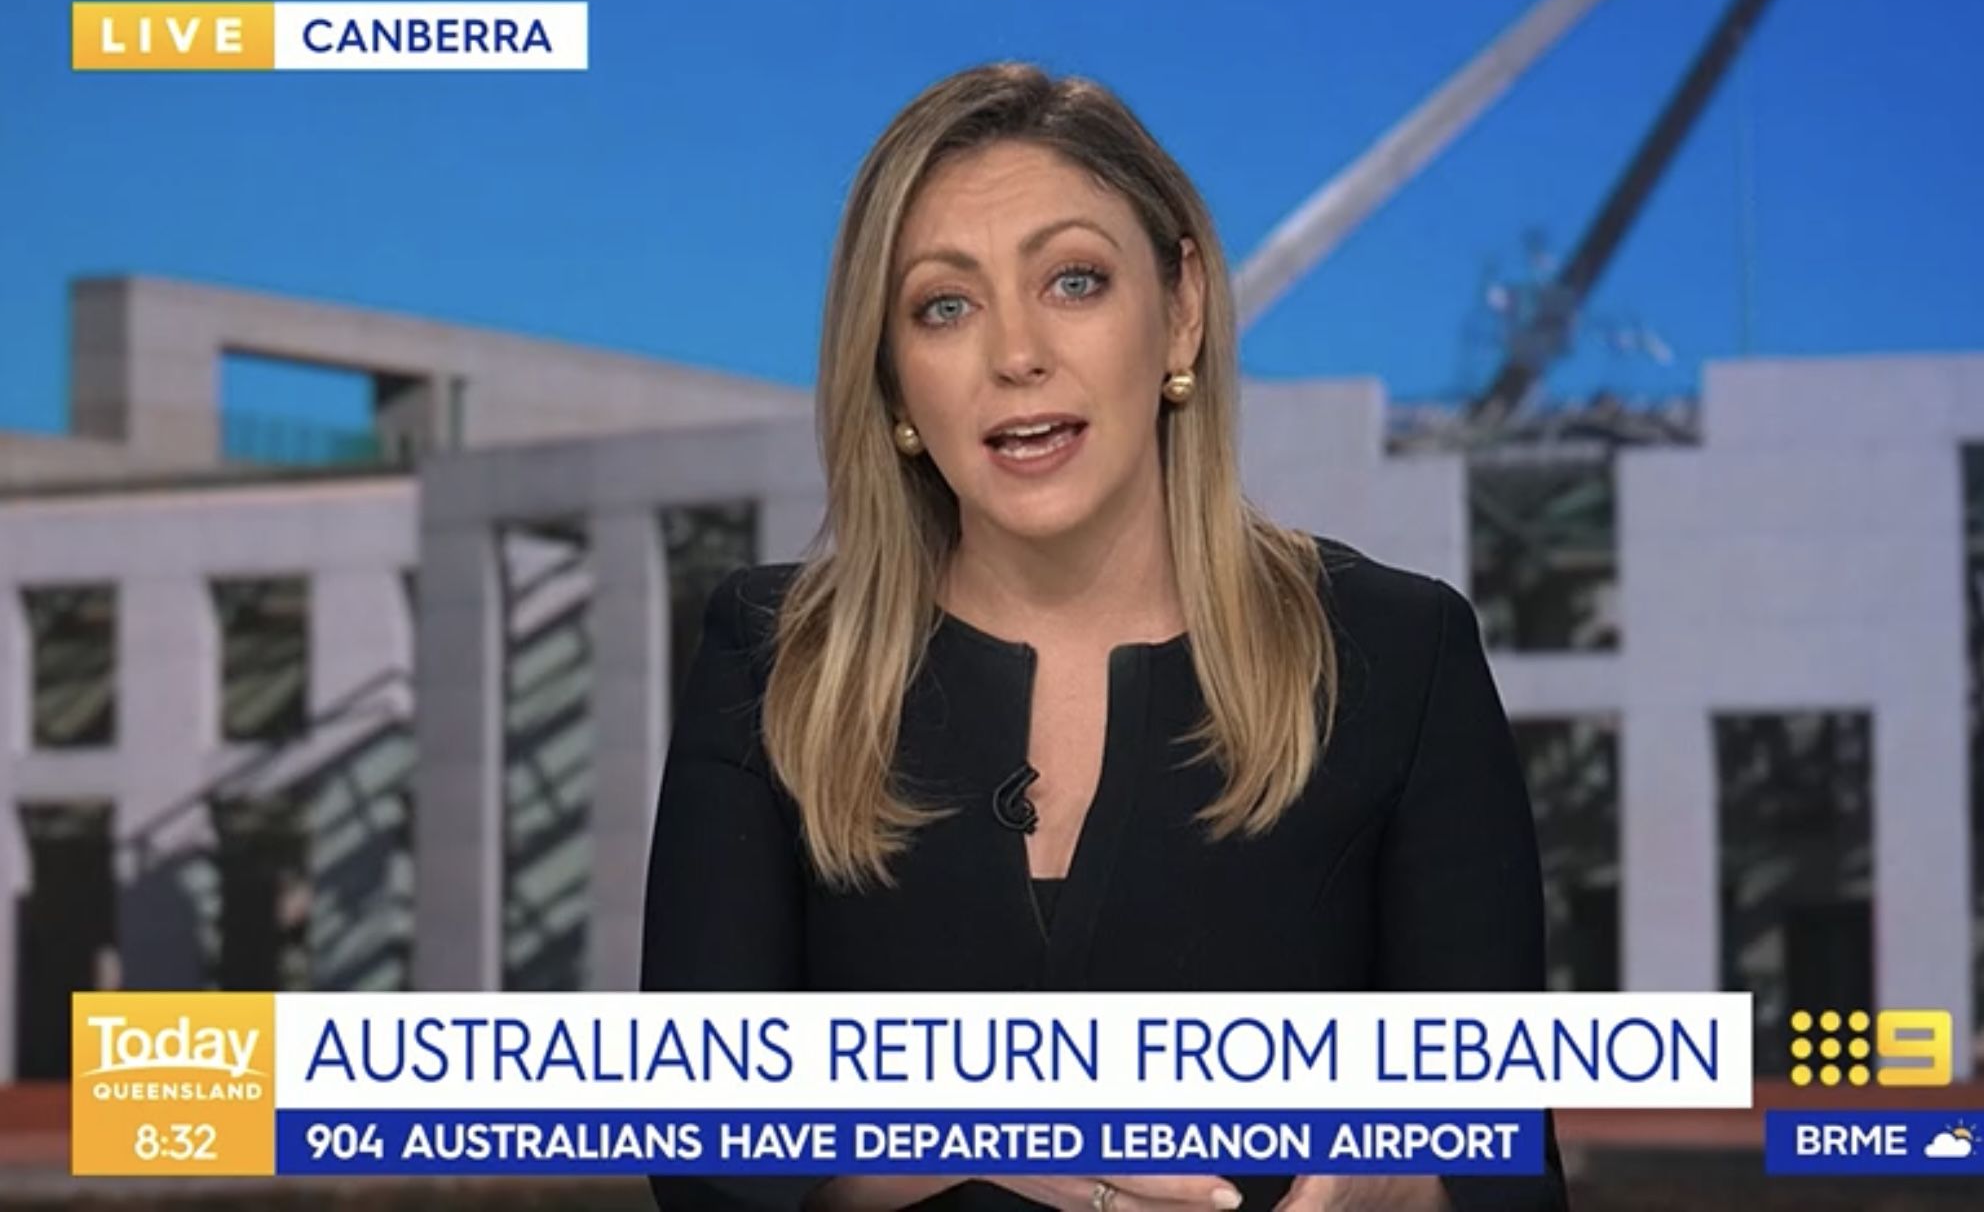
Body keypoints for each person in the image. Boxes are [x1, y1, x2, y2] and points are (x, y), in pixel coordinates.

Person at [642, 61, 1568, 1212]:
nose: (1015, 353)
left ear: (1180, 310)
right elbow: (703, 1157)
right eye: (944, 306)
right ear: (891, 378)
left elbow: (1505, 1169)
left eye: (1073, 282)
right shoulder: (773, 657)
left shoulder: (1398, 657)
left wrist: (1398, 1183)